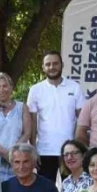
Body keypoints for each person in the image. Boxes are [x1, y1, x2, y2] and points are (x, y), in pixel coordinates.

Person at [26, 51, 83, 180]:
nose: (52, 67)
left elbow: (82, 119)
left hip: (69, 152)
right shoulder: (35, 90)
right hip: (44, 151)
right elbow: (32, 122)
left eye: (55, 63)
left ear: (62, 65)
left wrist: (78, 146)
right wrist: (33, 149)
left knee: (72, 190)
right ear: (43, 67)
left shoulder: (74, 87)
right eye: (48, 64)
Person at [0, 72, 30, 182]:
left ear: (11, 87)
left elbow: (27, 133)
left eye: (5, 86)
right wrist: (4, 153)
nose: (1, 90)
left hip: (18, 163)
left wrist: (13, 153)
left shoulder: (22, 108)